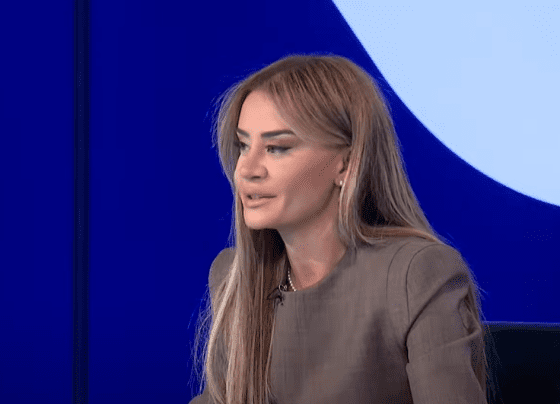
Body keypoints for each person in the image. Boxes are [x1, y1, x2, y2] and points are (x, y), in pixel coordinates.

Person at [189, 54, 502, 404]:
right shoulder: (232, 277)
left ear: (346, 163)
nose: (247, 170)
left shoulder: (417, 275)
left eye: (277, 148)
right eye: (244, 145)